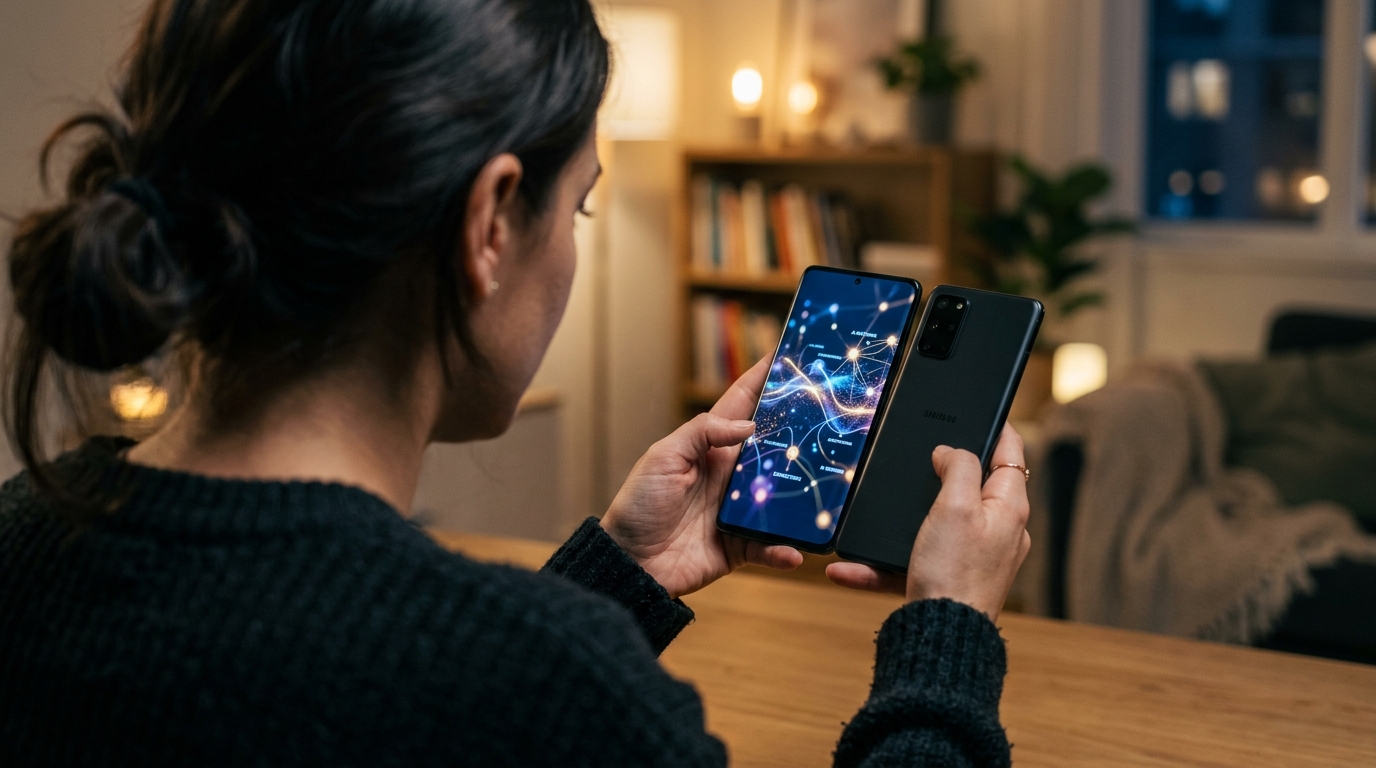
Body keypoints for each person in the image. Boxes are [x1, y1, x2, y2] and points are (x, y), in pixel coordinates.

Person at [0, 0, 1032, 765]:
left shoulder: (19, 537)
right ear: (491, 223)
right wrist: (945, 639)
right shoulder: (549, 691)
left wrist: (617, 578)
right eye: (577, 209)